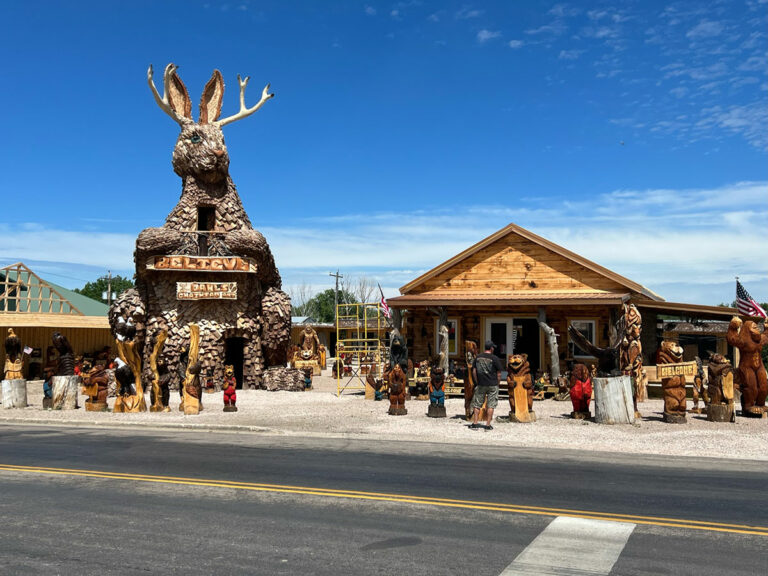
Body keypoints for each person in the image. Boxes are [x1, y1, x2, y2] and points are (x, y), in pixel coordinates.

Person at [469, 340, 503, 431]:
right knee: (491, 405)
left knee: (477, 404)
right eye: (493, 348)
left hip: (481, 384)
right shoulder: (495, 358)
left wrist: (477, 381)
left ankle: (475, 423)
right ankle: (487, 425)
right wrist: (498, 383)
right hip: (492, 384)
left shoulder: (478, 357)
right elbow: (499, 373)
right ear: (491, 348)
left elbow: (474, 371)